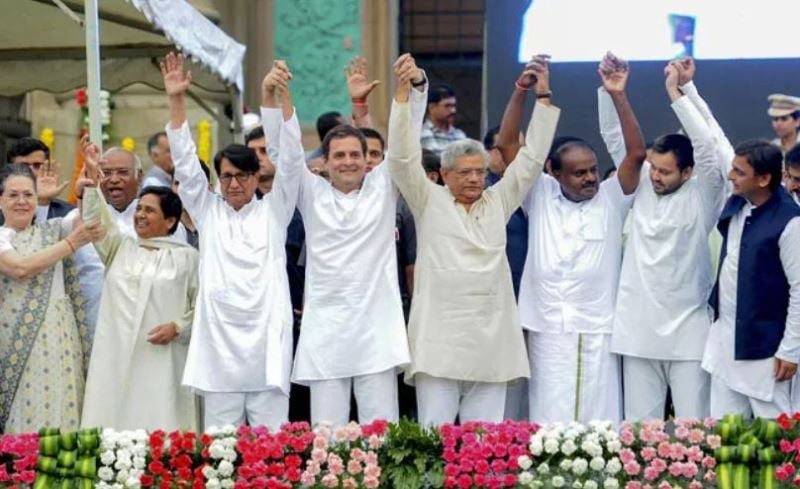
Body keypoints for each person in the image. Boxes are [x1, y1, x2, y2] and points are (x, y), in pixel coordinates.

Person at [389, 54, 559, 425]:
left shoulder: (498, 201)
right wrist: (408, 94)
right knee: (435, 441)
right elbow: (402, 159)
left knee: (482, 449)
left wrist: (542, 96)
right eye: (464, 173)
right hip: (438, 344)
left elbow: (530, 161)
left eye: (480, 172)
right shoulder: (427, 200)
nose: (474, 179)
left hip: (490, 343)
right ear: (444, 174)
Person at [262, 57, 419, 428]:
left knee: (381, 436)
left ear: (369, 161)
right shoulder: (310, 192)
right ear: (325, 162)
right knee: (326, 438)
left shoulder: (383, 189)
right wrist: (274, 95)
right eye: (340, 156)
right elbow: (282, 155)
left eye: (355, 155)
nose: (348, 162)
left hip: (377, 332)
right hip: (326, 333)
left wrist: (404, 91)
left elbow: (403, 145)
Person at [162, 52, 300, 430]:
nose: (234, 184)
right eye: (226, 176)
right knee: (221, 451)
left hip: (267, 347)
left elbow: (289, 159)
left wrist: (276, 97)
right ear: (219, 179)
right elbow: (187, 165)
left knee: (272, 450)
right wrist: (176, 101)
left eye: (242, 176)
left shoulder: (275, 210)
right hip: (220, 349)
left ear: (257, 178)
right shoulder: (209, 212)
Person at [513, 52, 646, 425]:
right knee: (547, 415)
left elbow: (636, 154)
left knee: (598, 420)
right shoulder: (538, 195)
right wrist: (528, 93)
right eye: (579, 173)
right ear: (553, 172)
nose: (589, 178)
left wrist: (618, 94)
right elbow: (511, 150)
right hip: (546, 327)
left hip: (597, 326)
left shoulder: (610, 198)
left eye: (591, 170)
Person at [606, 58, 728, 421]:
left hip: (689, 335)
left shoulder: (704, 195)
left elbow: (707, 146)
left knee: (696, 435)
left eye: (665, 171)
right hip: (637, 333)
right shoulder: (642, 182)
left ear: (688, 172)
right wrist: (613, 94)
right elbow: (617, 140)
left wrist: (677, 93)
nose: (655, 176)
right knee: (640, 440)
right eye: (654, 168)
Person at [80, 139, 198, 430]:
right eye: (139, 209)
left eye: (150, 211)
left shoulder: (187, 258)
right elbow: (96, 219)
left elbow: (202, 307)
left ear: (171, 220)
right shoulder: (119, 248)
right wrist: (94, 180)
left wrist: (178, 327)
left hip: (164, 356)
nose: (141, 215)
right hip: (117, 352)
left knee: (162, 420)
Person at [0, 164, 103, 433]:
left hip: (58, 336)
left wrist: (85, 187)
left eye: (28, 195)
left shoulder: (51, 230)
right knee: (22, 409)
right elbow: (20, 268)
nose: (21, 201)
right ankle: (18, 471)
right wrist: (71, 244)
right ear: (1, 200)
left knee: (61, 403)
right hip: (12, 342)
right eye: (13, 195)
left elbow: (86, 219)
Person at [702, 139, 800, 418]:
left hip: (769, 355)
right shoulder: (737, 205)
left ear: (764, 178)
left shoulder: (791, 222)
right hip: (725, 346)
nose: (730, 176)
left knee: (775, 442)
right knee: (730, 440)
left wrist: (791, 351)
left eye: (739, 172)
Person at [1, 138, 73, 226]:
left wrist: (43, 202)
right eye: (23, 166)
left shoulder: (67, 214)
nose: (31, 172)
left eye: (38, 166)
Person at [420, 83, 467, 155]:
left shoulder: (459, 135)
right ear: (432, 107)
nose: (453, 110)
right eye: (447, 106)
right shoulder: (422, 135)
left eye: (453, 106)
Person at [245, 126, 277, 196]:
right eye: (251, 152)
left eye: (264, 151)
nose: (257, 157)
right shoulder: (238, 200)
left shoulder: (301, 195)